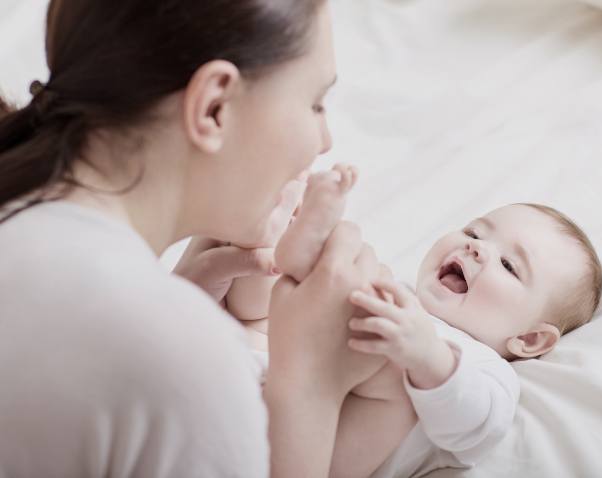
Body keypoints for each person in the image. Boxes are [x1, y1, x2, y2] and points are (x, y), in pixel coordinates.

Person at [0, 1, 388, 477]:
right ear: (214, 106)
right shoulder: (181, 357)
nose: (324, 140)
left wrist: (174, 301)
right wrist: (310, 384)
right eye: (315, 103)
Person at [231, 165, 602, 477]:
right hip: (252, 378)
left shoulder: (483, 367)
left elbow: (473, 426)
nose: (477, 247)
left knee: (388, 366)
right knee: (265, 300)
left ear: (531, 340)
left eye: (509, 265)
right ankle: (289, 246)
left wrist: (426, 355)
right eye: (474, 232)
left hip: (305, 454)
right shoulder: (394, 287)